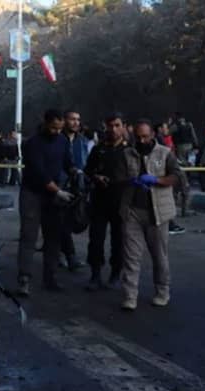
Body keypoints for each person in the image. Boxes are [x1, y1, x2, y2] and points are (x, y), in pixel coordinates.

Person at [119, 119, 179, 311]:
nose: (142, 140)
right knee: (131, 256)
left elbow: (176, 176)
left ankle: (162, 291)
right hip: (133, 211)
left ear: (153, 134)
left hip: (158, 212)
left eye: (145, 136)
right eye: (138, 137)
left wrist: (157, 180)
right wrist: (131, 181)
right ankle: (130, 296)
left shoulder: (165, 153)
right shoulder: (127, 153)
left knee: (159, 255)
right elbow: (118, 177)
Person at [17, 109, 75, 296]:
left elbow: (67, 162)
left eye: (60, 128)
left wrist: (76, 171)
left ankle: (50, 278)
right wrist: (58, 191)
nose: (56, 132)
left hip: (53, 195)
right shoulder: (32, 143)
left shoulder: (63, 141)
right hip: (32, 193)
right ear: (45, 123)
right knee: (28, 237)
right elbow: (38, 172)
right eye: (53, 128)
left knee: (53, 238)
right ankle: (24, 279)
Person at [83, 113, 136, 290]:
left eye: (117, 125)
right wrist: (95, 177)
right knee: (96, 239)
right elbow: (88, 171)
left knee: (119, 240)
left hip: (121, 202)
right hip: (99, 201)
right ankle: (95, 274)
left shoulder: (130, 150)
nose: (113, 129)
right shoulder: (99, 149)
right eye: (110, 126)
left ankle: (115, 273)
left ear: (123, 126)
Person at [60, 110, 90, 271]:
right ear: (65, 121)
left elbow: (86, 163)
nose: (76, 122)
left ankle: (61, 251)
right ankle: (70, 256)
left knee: (76, 222)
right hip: (59, 187)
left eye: (78, 119)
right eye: (72, 119)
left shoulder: (83, 141)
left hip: (78, 187)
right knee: (62, 222)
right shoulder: (58, 140)